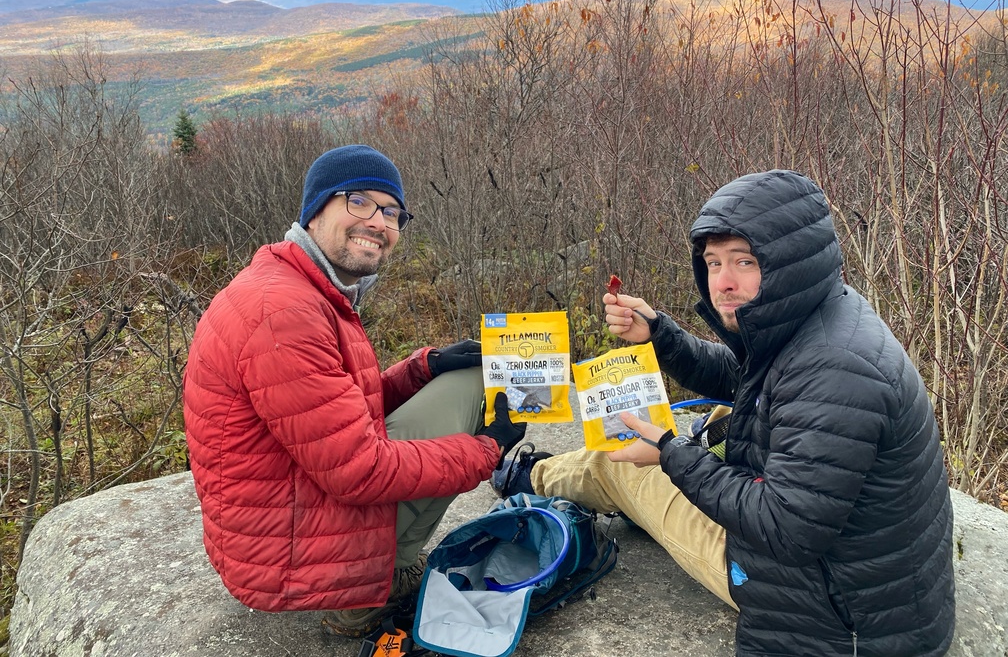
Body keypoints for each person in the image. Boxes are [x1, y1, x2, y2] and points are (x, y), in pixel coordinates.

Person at [494, 170, 955, 656]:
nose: (723, 282)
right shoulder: (825, 319)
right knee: (703, 424)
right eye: (713, 264)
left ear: (789, 262)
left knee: (624, 467)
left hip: (833, 616)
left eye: (744, 261)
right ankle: (549, 473)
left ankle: (529, 475)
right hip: (867, 588)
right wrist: (660, 336)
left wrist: (672, 454)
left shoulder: (833, 369)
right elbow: (746, 380)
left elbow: (784, 530)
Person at [183, 144, 525, 637]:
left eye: (391, 212)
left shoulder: (297, 287)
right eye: (358, 202)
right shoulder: (283, 314)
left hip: (289, 522)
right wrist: (485, 452)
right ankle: (370, 588)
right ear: (315, 210)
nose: (378, 222)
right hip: (293, 559)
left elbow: (336, 416)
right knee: (474, 397)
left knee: (468, 379)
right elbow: (357, 472)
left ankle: (376, 564)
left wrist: (422, 368)